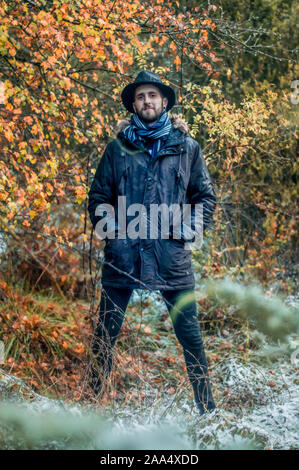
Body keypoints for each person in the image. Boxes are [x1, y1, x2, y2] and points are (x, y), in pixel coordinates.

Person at [87, 70, 217, 414]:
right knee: (105, 334)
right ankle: (89, 407)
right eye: (141, 96)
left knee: (190, 336)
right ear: (134, 103)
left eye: (153, 96)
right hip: (123, 257)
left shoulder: (187, 148)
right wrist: (115, 234)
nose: (147, 101)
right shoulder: (117, 149)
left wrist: (185, 234)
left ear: (164, 102)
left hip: (170, 257)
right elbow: (99, 197)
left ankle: (208, 411)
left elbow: (204, 198)